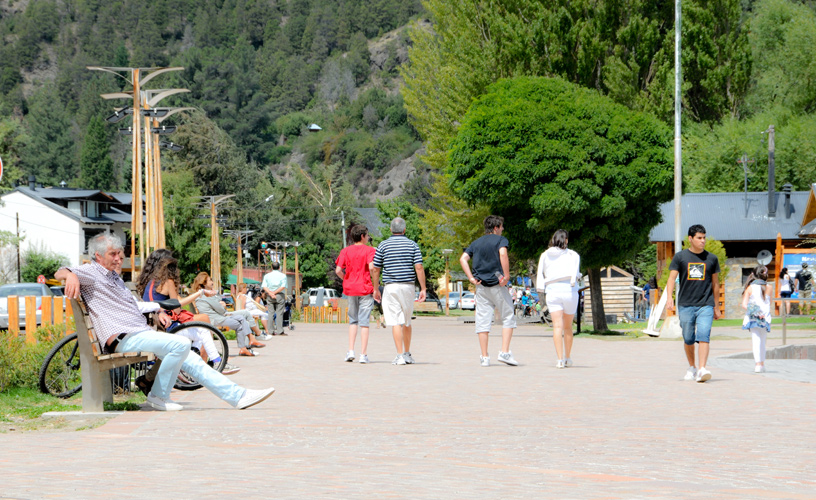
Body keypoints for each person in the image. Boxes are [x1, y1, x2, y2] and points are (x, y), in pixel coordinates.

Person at [55, 233, 274, 411]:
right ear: (98, 255)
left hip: (137, 333)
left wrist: (157, 307)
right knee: (180, 344)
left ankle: (238, 396)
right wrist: (71, 275)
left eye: (120, 255)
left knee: (190, 357)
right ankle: (158, 395)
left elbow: (135, 306)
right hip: (123, 337)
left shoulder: (114, 278)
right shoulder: (91, 272)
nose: (119, 259)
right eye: (113, 254)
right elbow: (59, 272)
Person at [137, 249, 240, 375]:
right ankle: (216, 363)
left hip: (154, 325)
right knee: (203, 329)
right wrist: (200, 293)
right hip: (168, 328)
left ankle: (198, 362)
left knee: (200, 330)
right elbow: (177, 308)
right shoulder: (167, 281)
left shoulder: (149, 282)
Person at [460, 215, 518, 367]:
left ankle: (484, 357)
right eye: (501, 226)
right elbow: (503, 254)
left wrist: (471, 278)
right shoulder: (501, 240)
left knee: (483, 320)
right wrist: (506, 276)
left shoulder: (476, 243)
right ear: (496, 227)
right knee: (508, 316)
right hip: (497, 285)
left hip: (481, 286)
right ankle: (504, 352)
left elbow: (463, 259)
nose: (503, 229)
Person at [665, 224, 721, 383]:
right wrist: (670, 297)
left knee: (704, 335)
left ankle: (702, 369)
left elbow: (716, 284)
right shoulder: (680, 257)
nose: (703, 241)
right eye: (699, 238)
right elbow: (671, 278)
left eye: (704, 237)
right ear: (690, 239)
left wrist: (716, 306)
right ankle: (692, 367)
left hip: (706, 304)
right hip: (686, 304)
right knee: (688, 337)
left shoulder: (712, 258)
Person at [371, 217, 425, 365]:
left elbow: (376, 269)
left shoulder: (383, 245)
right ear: (404, 229)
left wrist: (376, 288)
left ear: (390, 229)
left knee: (395, 321)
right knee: (407, 321)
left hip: (391, 286)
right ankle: (407, 353)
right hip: (408, 285)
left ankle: (399, 355)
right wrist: (423, 288)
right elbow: (419, 267)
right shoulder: (412, 245)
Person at [536, 229, 581, 369]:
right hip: (569, 290)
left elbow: (540, 273)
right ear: (565, 240)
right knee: (567, 327)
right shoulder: (573, 255)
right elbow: (575, 273)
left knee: (557, 326)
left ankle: (559, 359)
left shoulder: (545, 255)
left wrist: (541, 288)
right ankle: (568, 357)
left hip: (552, 291)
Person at [193, 272, 265, 357]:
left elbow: (218, 301)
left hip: (216, 317)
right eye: (210, 280)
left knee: (241, 319)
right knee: (241, 320)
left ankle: (248, 344)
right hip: (215, 319)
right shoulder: (205, 296)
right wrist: (221, 304)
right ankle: (248, 343)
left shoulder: (203, 294)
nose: (212, 282)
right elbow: (221, 310)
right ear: (204, 283)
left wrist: (216, 296)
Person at [335, 224, 377, 363]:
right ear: (362, 236)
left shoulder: (345, 251)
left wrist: (346, 278)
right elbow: (372, 267)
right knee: (364, 322)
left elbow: (338, 270)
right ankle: (363, 355)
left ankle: (351, 350)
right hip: (365, 288)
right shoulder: (369, 250)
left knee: (353, 320)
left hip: (350, 289)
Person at [741, 265, 772, 373]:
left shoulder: (750, 287)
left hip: (753, 317)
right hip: (765, 317)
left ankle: (757, 364)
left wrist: (755, 311)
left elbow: (744, 304)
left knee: (756, 340)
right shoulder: (769, 287)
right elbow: (769, 303)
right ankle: (762, 364)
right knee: (763, 341)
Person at [262, 261, 288, 335]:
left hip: (269, 295)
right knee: (279, 313)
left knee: (270, 313)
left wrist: (271, 293)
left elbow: (264, 286)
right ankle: (280, 330)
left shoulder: (267, 276)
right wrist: (275, 293)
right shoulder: (283, 276)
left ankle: (270, 331)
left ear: (272, 267)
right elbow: (283, 286)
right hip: (279, 295)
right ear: (279, 268)